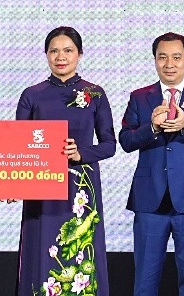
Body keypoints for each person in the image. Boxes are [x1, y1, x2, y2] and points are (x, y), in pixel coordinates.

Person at [118, 32, 184, 296]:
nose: (169, 64)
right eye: (162, 57)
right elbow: (126, 140)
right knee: (144, 279)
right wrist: (152, 128)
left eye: (176, 57)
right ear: (155, 60)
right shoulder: (140, 97)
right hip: (149, 199)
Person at [16, 26, 116, 296]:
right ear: (46, 55)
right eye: (54, 51)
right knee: (41, 248)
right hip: (40, 187)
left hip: (80, 188)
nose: (61, 57)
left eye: (68, 50)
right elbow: (18, 145)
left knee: (80, 249)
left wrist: (81, 153)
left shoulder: (95, 94)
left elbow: (109, 145)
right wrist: (12, 184)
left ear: (79, 54)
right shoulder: (32, 94)